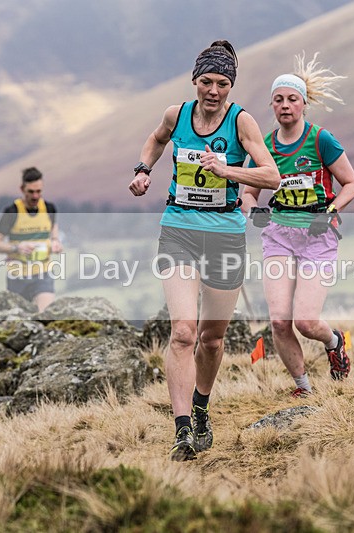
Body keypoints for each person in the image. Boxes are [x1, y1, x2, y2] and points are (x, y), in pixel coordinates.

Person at [129, 40, 280, 461]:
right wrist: (143, 170)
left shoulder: (242, 121)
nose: (213, 91)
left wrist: (227, 170)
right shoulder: (176, 115)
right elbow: (155, 141)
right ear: (195, 80)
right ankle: (181, 431)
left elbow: (271, 177)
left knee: (212, 340)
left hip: (225, 236)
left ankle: (200, 408)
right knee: (183, 332)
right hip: (178, 229)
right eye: (207, 82)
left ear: (231, 86)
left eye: (223, 83)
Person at [241, 52, 354, 397]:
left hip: (317, 237)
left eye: (292, 99)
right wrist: (254, 211)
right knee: (279, 321)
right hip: (278, 236)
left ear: (303, 104)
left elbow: (352, 183)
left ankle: (334, 341)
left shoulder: (321, 139)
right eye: (278, 100)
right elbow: (248, 193)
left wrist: (331, 210)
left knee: (306, 322)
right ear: (272, 105)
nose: (285, 106)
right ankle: (304, 387)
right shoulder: (265, 145)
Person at [0, 167, 64, 312]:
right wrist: (17, 248)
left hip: (43, 273)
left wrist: (56, 244)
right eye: (31, 192)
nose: (35, 196)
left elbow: (55, 238)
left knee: (45, 316)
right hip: (17, 275)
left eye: (39, 191)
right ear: (22, 189)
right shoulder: (12, 212)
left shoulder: (49, 209)